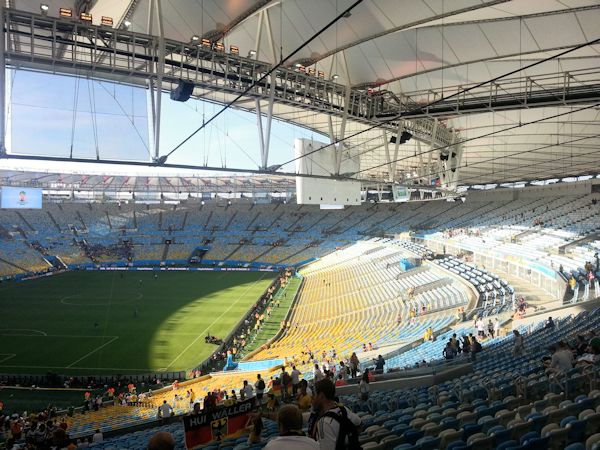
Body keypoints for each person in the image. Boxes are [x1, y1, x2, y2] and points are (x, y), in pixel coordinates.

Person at [308, 379, 362, 450]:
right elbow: (359, 424)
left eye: (314, 396)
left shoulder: (324, 422)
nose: (312, 399)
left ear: (321, 396)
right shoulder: (344, 409)